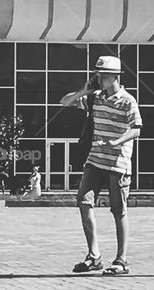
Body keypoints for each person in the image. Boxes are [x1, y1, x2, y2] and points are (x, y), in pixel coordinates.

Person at [61, 56, 142, 276]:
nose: (100, 78)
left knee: (119, 211)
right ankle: (94, 256)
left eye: (104, 75)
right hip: (95, 160)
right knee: (84, 201)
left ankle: (121, 260)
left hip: (118, 163)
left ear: (115, 76)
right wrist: (83, 91)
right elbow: (64, 102)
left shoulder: (127, 100)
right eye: (98, 74)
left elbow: (136, 129)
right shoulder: (95, 98)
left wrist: (117, 142)